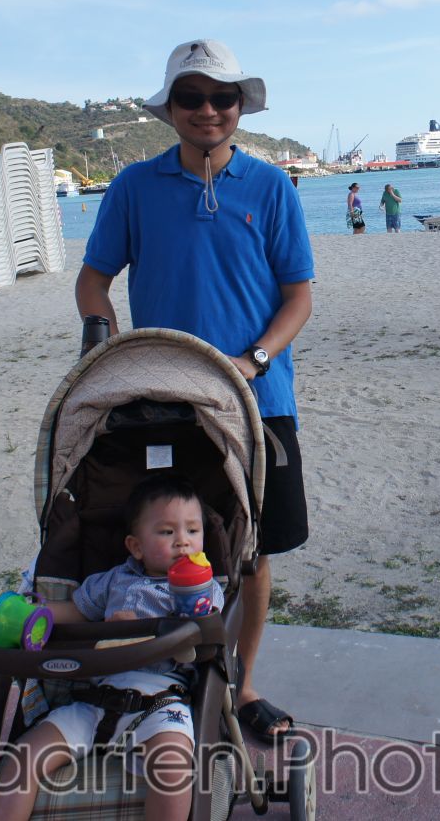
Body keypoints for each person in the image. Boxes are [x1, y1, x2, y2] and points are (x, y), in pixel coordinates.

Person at [74, 39, 313, 747]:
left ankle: (243, 681)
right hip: (163, 399)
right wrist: (104, 337)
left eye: (223, 97)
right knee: (174, 542)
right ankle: (167, 673)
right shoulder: (133, 186)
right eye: (192, 97)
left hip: (257, 402)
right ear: (170, 109)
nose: (208, 110)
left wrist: (256, 358)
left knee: (254, 548)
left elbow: (299, 295)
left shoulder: (271, 187)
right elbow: (94, 278)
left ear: (240, 105)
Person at [0, 476, 225, 821]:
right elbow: (76, 612)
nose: (183, 542)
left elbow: (205, 625)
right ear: (136, 546)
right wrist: (30, 616)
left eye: (193, 530)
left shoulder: (202, 589)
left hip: (161, 701)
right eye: (167, 532)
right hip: (91, 698)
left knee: (173, 768)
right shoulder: (112, 581)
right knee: (21, 760)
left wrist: (171, 619)